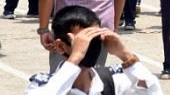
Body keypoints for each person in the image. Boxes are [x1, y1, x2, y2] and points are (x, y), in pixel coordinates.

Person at [26, 5, 161, 94]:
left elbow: (153, 91)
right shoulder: (41, 84)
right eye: (83, 41)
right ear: (61, 46)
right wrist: (75, 58)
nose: (90, 46)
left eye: (95, 39)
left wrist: (126, 55)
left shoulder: (111, 79)